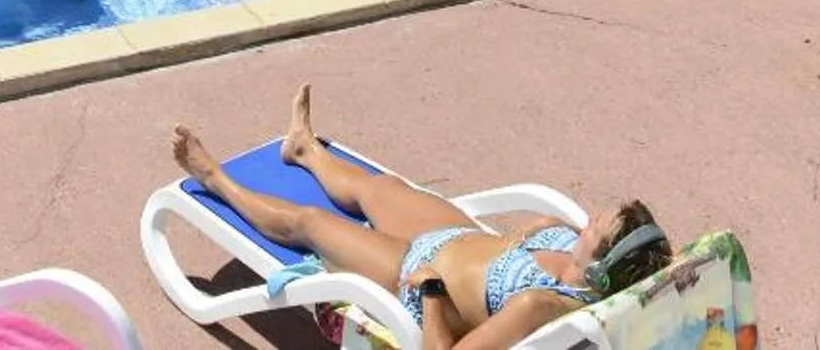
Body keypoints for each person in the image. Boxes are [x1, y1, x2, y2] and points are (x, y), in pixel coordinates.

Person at [172, 87, 671, 350]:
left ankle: (214, 177)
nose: (592, 217)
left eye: (598, 228)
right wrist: (526, 235)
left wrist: (432, 293)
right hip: (461, 239)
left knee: (310, 224)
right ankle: (303, 149)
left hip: (414, 273)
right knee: (383, 188)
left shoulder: (541, 307)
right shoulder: (576, 268)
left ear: (602, 267)